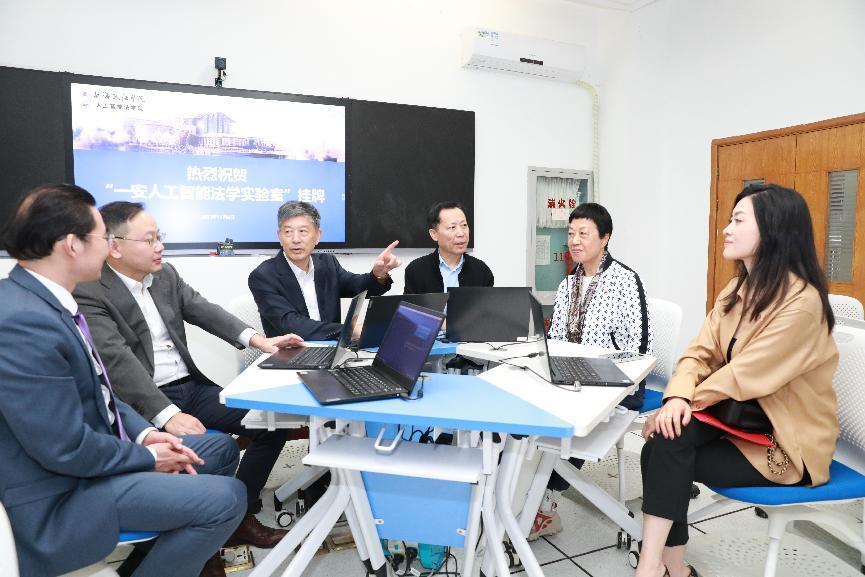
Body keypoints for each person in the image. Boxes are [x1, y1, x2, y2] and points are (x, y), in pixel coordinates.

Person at [0, 184, 246, 577]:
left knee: (215, 450)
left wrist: (146, 436)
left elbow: (100, 392)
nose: (108, 248)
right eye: (102, 238)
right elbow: (64, 449)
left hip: (88, 462)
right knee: (226, 498)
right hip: (61, 494)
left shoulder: (44, 302)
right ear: (72, 245)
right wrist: (147, 457)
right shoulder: (22, 321)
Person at [73, 201, 303, 549]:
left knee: (271, 423)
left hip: (190, 388)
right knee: (202, 453)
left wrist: (260, 341)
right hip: (142, 401)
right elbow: (117, 361)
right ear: (114, 246)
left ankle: (239, 515)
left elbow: (203, 310)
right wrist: (166, 415)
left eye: (159, 237)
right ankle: (197, 534)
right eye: (149, 239)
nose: (160, 246)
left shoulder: (165, 274)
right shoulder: (90, 289)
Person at [636, 183, 839, 577]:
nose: (726, 229)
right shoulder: (738, 289)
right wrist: (675, 399)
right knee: (664, 444)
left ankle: (654, 569)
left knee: (665, 447)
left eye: (738, 221)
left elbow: (745, 375)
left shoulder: (802, 303)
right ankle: (667, 568)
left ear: (773, 229)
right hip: (739, 417)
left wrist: (680, 405)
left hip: (785, 440)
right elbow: (699, 353)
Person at [534, 202, 653, 539]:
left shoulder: (625, 281)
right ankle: (532, 493)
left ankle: (546, 504)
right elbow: (556, 340)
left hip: (616, 385)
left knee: (569, 422)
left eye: (583, 234)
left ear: (605, 238)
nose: (574, 240)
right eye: (571, 233)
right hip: (573, 378)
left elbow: (639, 349)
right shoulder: (567, 284)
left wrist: (599, 375)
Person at [249, 200, 400, 340]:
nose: (295, 239)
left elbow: (359, 287)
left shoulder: (327, 264)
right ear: (279, 236)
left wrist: (378, 274)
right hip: (288, 352)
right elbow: (291, 325)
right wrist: (350, 330)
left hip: (331, 350)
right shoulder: (263, 276)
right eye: (288, 232)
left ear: (317, 236)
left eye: (303, 231)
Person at [403, 200, 494, 293]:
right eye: (452, 227)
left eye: (464, 225)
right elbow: (408, 303)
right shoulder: (416, 270)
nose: (461, 233)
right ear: (434, 234)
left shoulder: (481, 271)